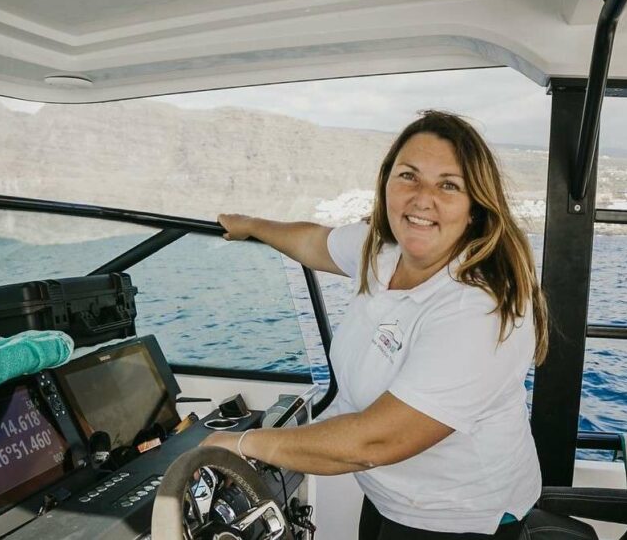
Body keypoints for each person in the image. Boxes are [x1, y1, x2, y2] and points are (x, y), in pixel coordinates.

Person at [205, 110, 549, 539]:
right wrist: (251, 225)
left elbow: (375, 442)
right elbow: (313, 242)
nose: (423, 198)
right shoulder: (383, 252)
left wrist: (240, 445)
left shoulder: (476, 310)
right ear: (386, 184)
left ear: (475, 207)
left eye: (448, 185)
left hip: (459, 519)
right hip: (392, 497)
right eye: (408, 176)